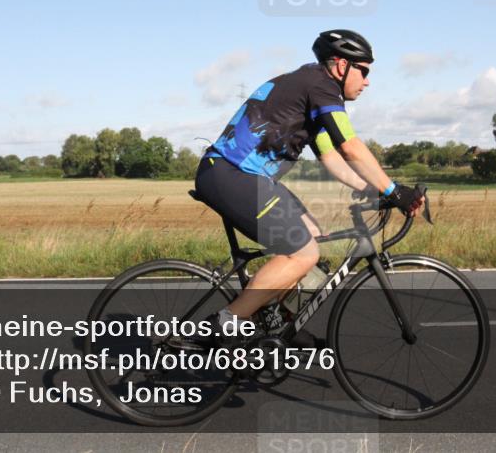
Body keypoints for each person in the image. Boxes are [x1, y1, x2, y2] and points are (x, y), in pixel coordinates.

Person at [182, 29, 425, 349]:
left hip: (247, 178)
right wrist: (394, 191)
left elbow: (330, 156)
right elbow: (350, 146)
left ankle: (273, 320)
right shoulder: (321, 86)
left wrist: (370, 189)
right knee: (303, 252)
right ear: (341, 65)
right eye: (364, 71)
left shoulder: (309, 87)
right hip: (231, 175)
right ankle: (224, 324)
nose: (367, 81)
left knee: (311, 233)